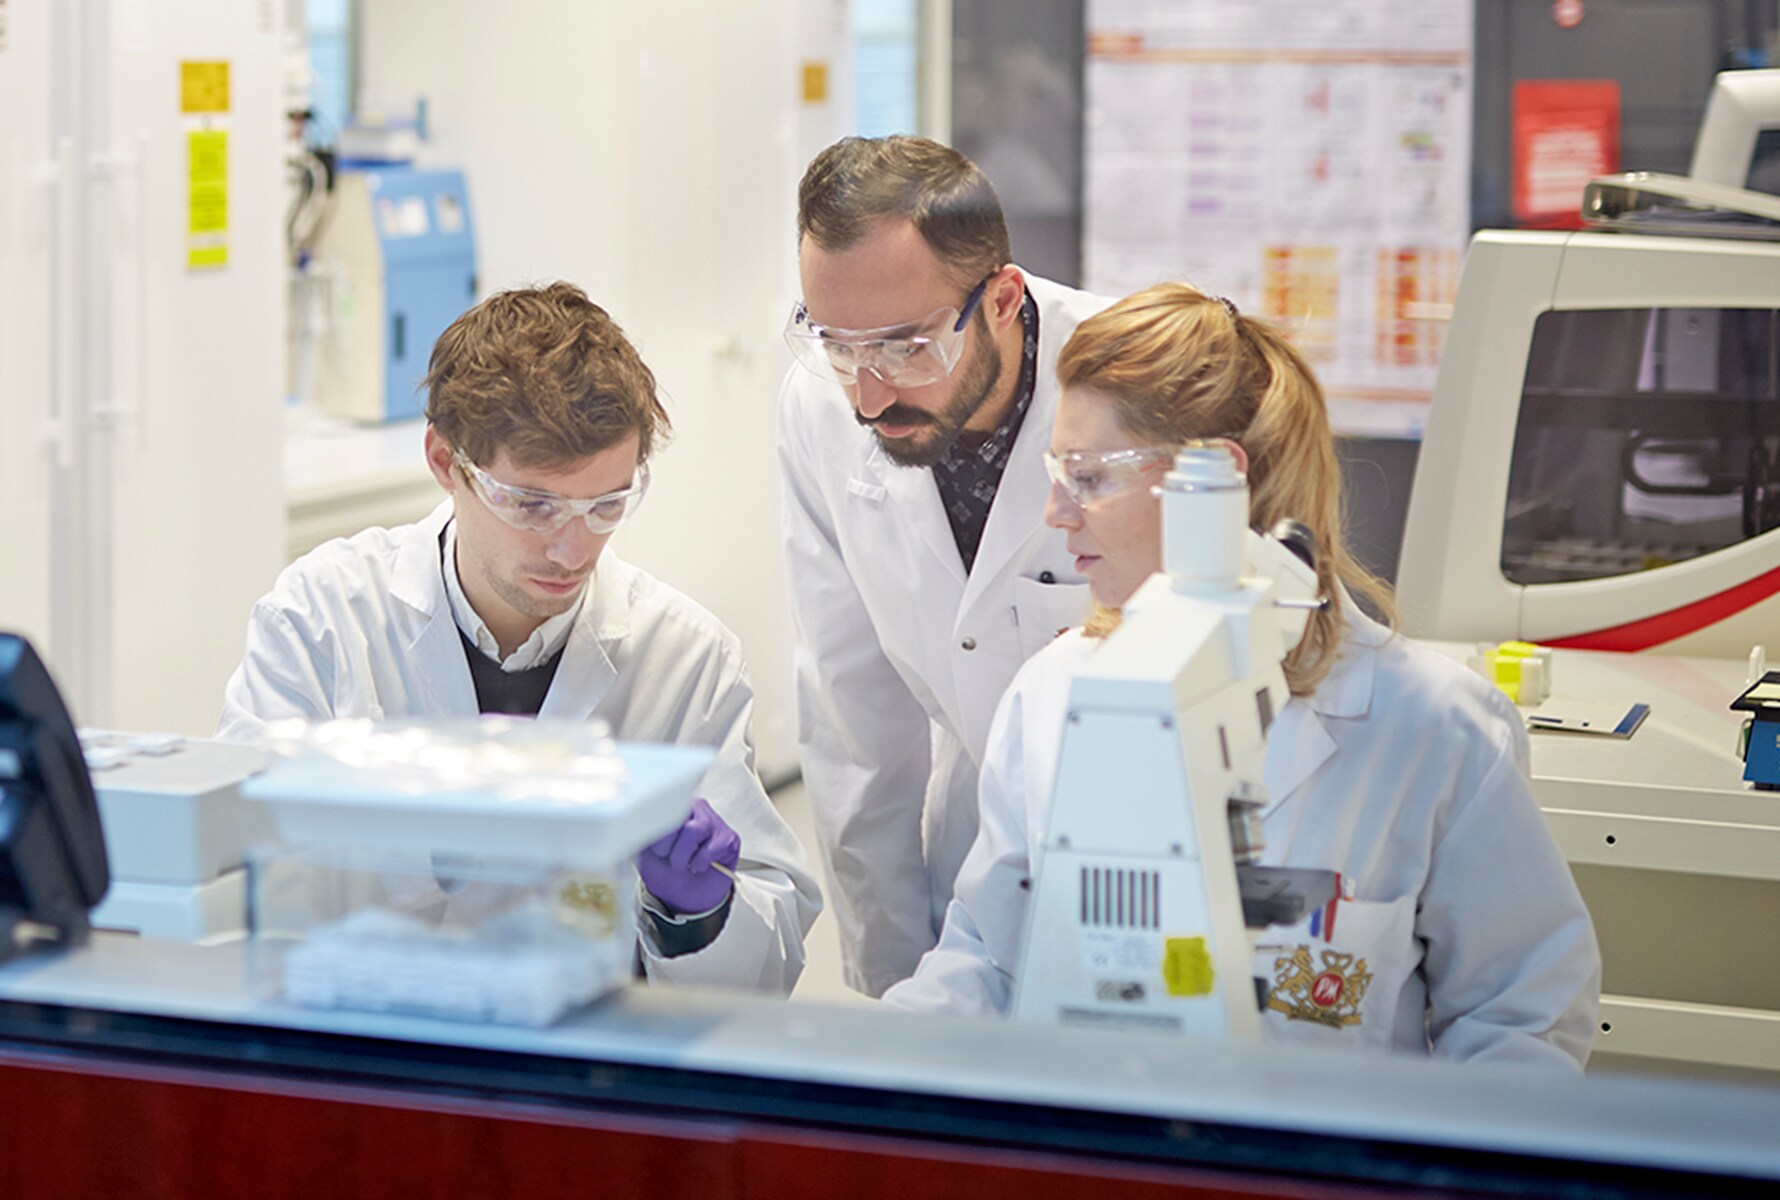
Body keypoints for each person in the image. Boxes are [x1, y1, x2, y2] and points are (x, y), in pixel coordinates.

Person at [882, 283, 1601, 1068]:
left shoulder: (1435, 727)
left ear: (1213, 484)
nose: (1055, 513)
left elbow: (1522, 1021)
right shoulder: (1055, 693)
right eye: (1057, 472)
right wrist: (857, 1073)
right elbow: (988, 959)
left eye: (1088, 476)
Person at [218, 282, 820, 993]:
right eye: (533, 505)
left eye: (606, 505)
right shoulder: (320, 619)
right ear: (447, 462)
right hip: (362, 1039)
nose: (571, 550)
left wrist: (700, 910)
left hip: (582, 1060)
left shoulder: (686, 657)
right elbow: (231, 871)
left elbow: (768, 961)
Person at [779, 135, 1112, 996]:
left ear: (1002, 300)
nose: (869, 394)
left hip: (1142, 849)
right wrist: (892, 973)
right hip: (971, 859)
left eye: (904, 347)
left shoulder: (1127, 385)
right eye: (837, 345)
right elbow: (855, 711)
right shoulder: (821, 407)